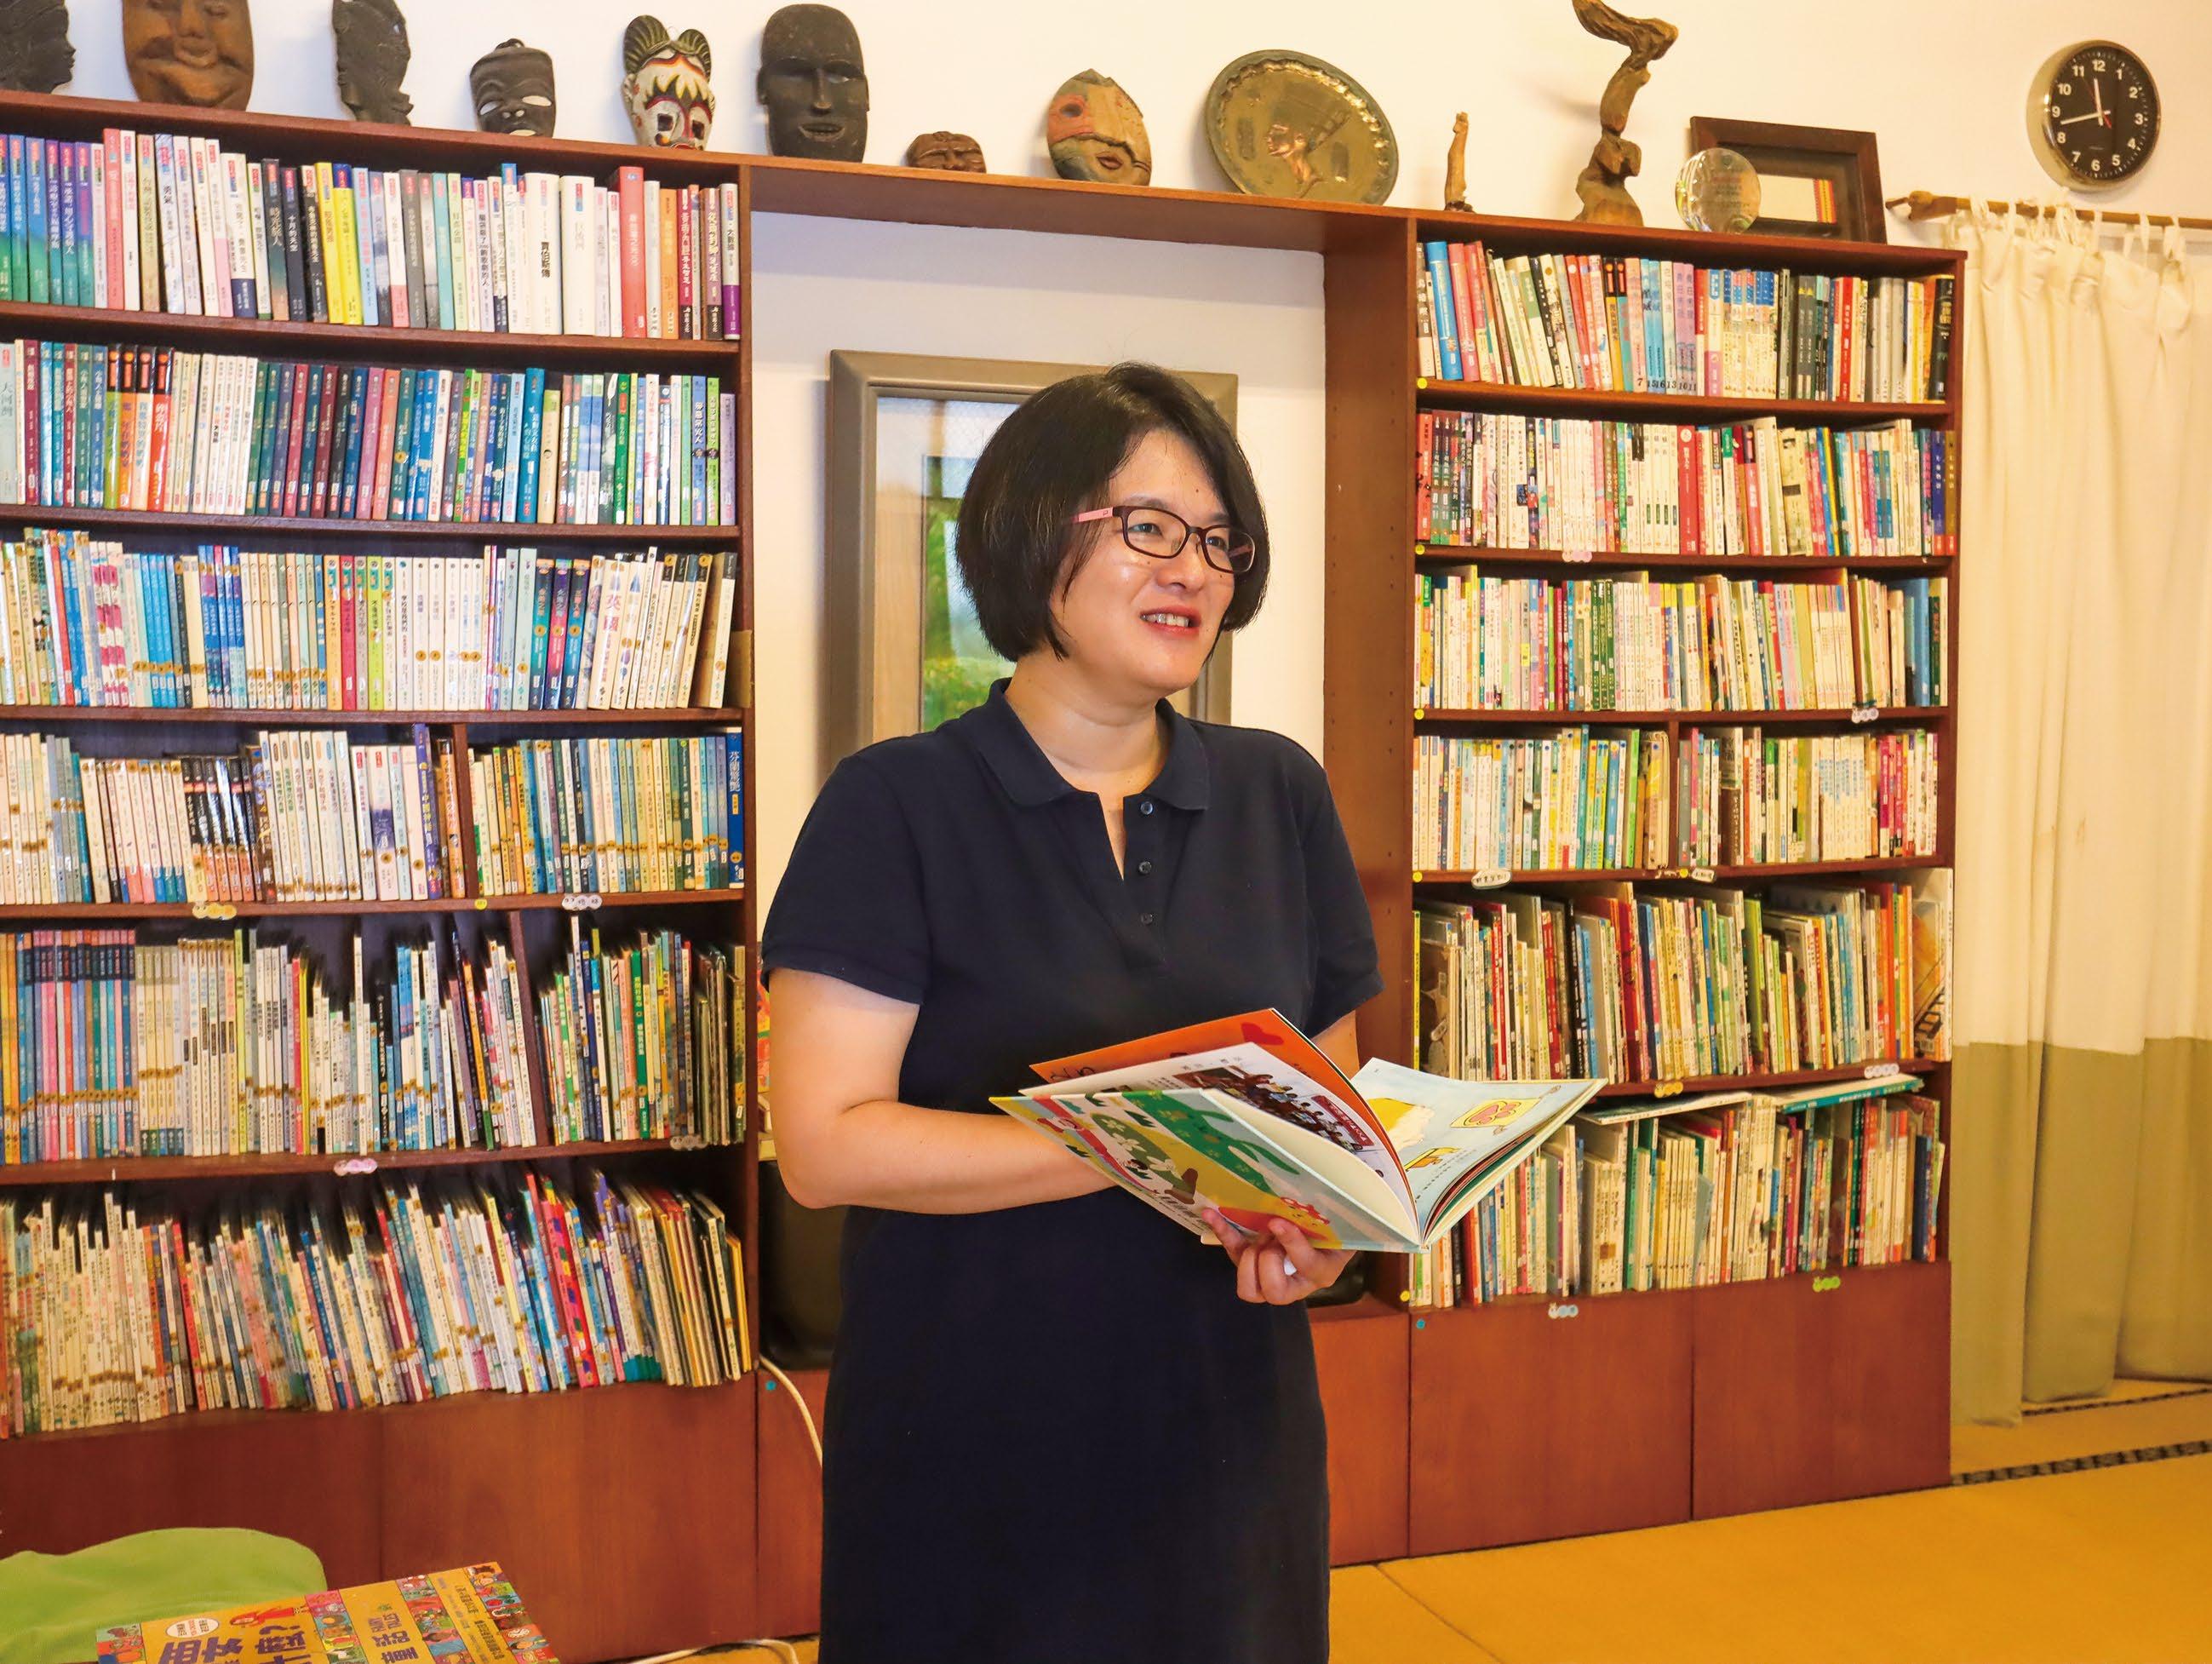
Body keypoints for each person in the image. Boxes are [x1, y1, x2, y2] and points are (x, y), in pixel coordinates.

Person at [763, 362, 1382, 1663]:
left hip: (1228, 1436)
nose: (1193, 570)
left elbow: (1320, 1126)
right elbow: (823, 1144)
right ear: (1032, 529)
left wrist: (1316, 1235)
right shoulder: (894, 804)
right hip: (973, 1435)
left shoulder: (1278, 792)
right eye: (1149, 526)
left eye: (1219, 541)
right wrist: (1155, 1137)